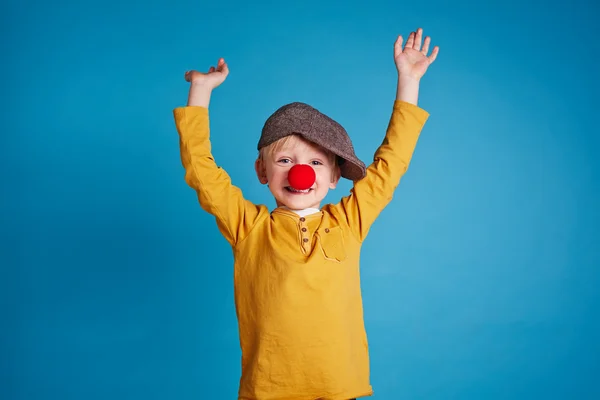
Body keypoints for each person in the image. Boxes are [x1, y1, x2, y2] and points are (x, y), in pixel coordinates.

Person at [173, 27, 438, 400]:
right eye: (285, 160)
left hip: (338, 388)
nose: (302, 172)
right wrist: (200, 92)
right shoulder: (248, 227)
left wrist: (408, 82)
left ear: (334, 176)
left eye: (316, 161)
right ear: (262, 172)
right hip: (268, 390)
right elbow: (202, 172)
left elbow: (390, 165)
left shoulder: (348, 222)